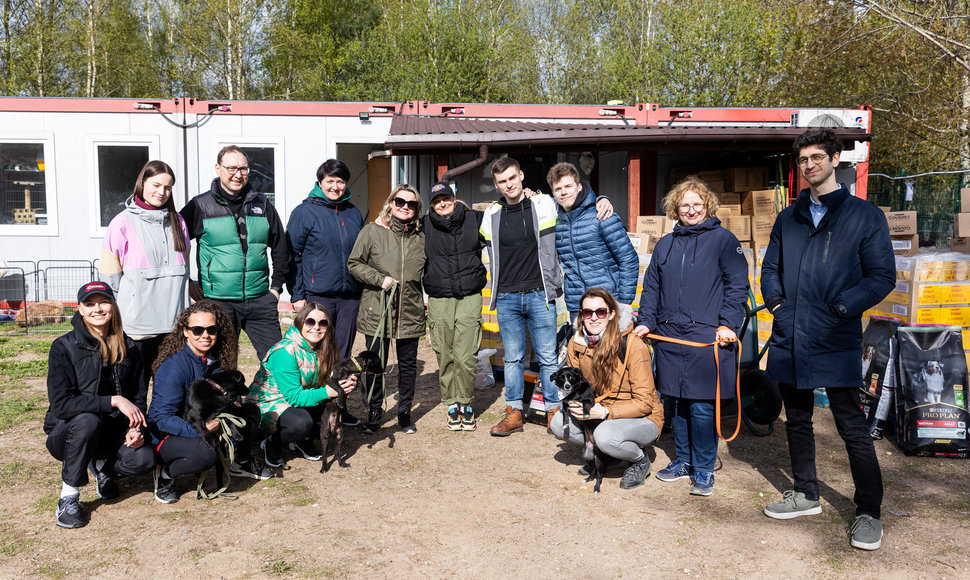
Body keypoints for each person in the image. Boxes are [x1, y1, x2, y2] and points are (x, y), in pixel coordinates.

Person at [760, 128, 895, 550]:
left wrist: (841, 308)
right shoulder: (789, 218)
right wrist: (779, 306)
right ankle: (805, 493)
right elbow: (769, 271)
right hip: (789, 335)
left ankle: (869, 511)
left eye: (817, 157)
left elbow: (882, 277)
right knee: (796, 419)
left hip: (835, 336)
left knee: (851, 426)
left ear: (835, 159)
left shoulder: (863, 216)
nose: (809, 165)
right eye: (803, 160)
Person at [633, 176, 748, 497]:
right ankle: (683, 461)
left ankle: (704, 468)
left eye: (697, 204)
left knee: (700, 406)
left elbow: (738, 285)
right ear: (676, 208)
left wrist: (728, 324)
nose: (692, 210)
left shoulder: (724, 240)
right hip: (669, 337)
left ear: (707, 205)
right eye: (685, 205)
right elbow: (652, 287)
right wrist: (646, 322)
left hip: (706, 338)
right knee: (677, 403)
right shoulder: (666, 244)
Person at [482, 158, 611, 436]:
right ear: (496, 185)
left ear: (522, 175)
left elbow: (572, 199)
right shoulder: (490, 214)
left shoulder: (543, 205)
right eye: (503, 181)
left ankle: (554, 410)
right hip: (507, 298)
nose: (509, 184)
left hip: (541, 295)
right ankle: (514, 411)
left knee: (548, 358)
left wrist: (600, 197)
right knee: (513, 359)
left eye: (513, 178)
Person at [43, 281, 155, 528]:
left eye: (103, 302)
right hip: (69, 434)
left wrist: (136, 429)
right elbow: (61, 405)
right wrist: (113, 400)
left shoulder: (132, 348)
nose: (97, 309)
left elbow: (137, 399)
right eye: (89, 304)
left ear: (113, 307)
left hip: (111, 431)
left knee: (143, 460)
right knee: (87, 419)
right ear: (80, 309)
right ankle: (68, 497)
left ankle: (103, 467)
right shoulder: (63, 347)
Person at [148, 301, 269, 504]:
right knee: (206, 453)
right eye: (197, 330)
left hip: (202, 420)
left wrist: (231, 406)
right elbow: (161, 418)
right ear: (185, 332)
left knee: (250, 412)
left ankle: (242, 461)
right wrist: (201, 429)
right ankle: (165, 474)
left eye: (211, 329)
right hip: (168, 433)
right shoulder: (174, 367)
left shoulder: (214, 359)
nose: (205, 335)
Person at [180, 145, 288, 361]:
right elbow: (176, 246)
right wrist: (187, 281)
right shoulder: (200, 206)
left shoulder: (263, 204)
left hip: (260, 300)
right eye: (231, 168)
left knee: (278, 361)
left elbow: (280, 247)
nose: (238, 174)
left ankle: (269, 396)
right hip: (218, 302)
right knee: (222, 365)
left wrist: (276, 288)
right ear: (218, 168)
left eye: (243, 169)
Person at [549, 288, 664, 490]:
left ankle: (639, 460)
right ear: (581, 315)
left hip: (642, 417)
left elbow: (645, 403)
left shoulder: (633, 345)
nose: (594, 318)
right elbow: (576, 387)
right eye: (587, 312)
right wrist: (576, 404)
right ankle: (609, 455)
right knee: (559, 423)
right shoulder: (577, 342)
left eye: (600, 312)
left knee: (605, 436)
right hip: (600, 410)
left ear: (611, 314)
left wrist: (605, 412)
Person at [285, 159, 364, 427]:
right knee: (317, 354)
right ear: (320, 183)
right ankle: (315, 410)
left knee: (342, 355)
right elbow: (292, 255)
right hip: (318, 295)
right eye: (329, 181)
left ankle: (339, 407)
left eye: (340, 181)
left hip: (349, 295)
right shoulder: (304, 212)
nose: (335, 186)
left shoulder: (353, 212)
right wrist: (297, 294)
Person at [99, 160, 189, 388]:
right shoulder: (121, 223)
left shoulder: (178, 221)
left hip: (174, 325)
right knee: (136, 388)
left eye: (168, 188)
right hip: (138, 328)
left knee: (171, 387)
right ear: (142, 183)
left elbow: (184, 268)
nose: (162, 192)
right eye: (156, 185)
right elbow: (111, 277)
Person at [347, 184, 426, 434]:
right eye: (400, 201)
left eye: (411, 204)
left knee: (408, 364)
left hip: (410, 309)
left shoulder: (421, 235)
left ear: (417, 208)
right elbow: (354, 263)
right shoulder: (372, 231)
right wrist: (379, 278)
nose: (405, 207)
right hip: (377, 307)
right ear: (391, 202)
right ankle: (374, 408)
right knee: (375, 363)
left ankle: (404, 410)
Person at [249, 302, 358, 466]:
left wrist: (346, 385)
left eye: (322, 323)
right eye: (310, 322)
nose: (316, 327)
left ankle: (301, 441)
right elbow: (294, 397)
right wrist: (329, 392)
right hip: (269, 403)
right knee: (302, 424)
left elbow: (330, 382)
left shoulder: (327, 347)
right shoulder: (285, 352)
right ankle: (272, 443)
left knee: (329, 419)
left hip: (302, 398)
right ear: (300, 323)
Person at [422, 181, 487, 431]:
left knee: (466, 353)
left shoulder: (474, 219)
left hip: (469, 295)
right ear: (431, 204)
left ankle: (466, 402)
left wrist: (531, 195)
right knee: (445, 352)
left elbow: (505, 215)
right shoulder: (424, 225)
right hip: (439, 298)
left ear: (454, 198)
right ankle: (451, 403)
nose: (442, 204)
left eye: (446, 198)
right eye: (437, 201)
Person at [548, 162, 639, 318]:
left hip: (608, 301)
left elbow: (628, 259)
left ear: (579, 187)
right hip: (577, 305)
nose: (563, 192)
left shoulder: (602, 216)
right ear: (553, 194)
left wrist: (624, 301)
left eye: (568, 186)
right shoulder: (555, 221)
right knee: (579, 343)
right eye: (558, 189)